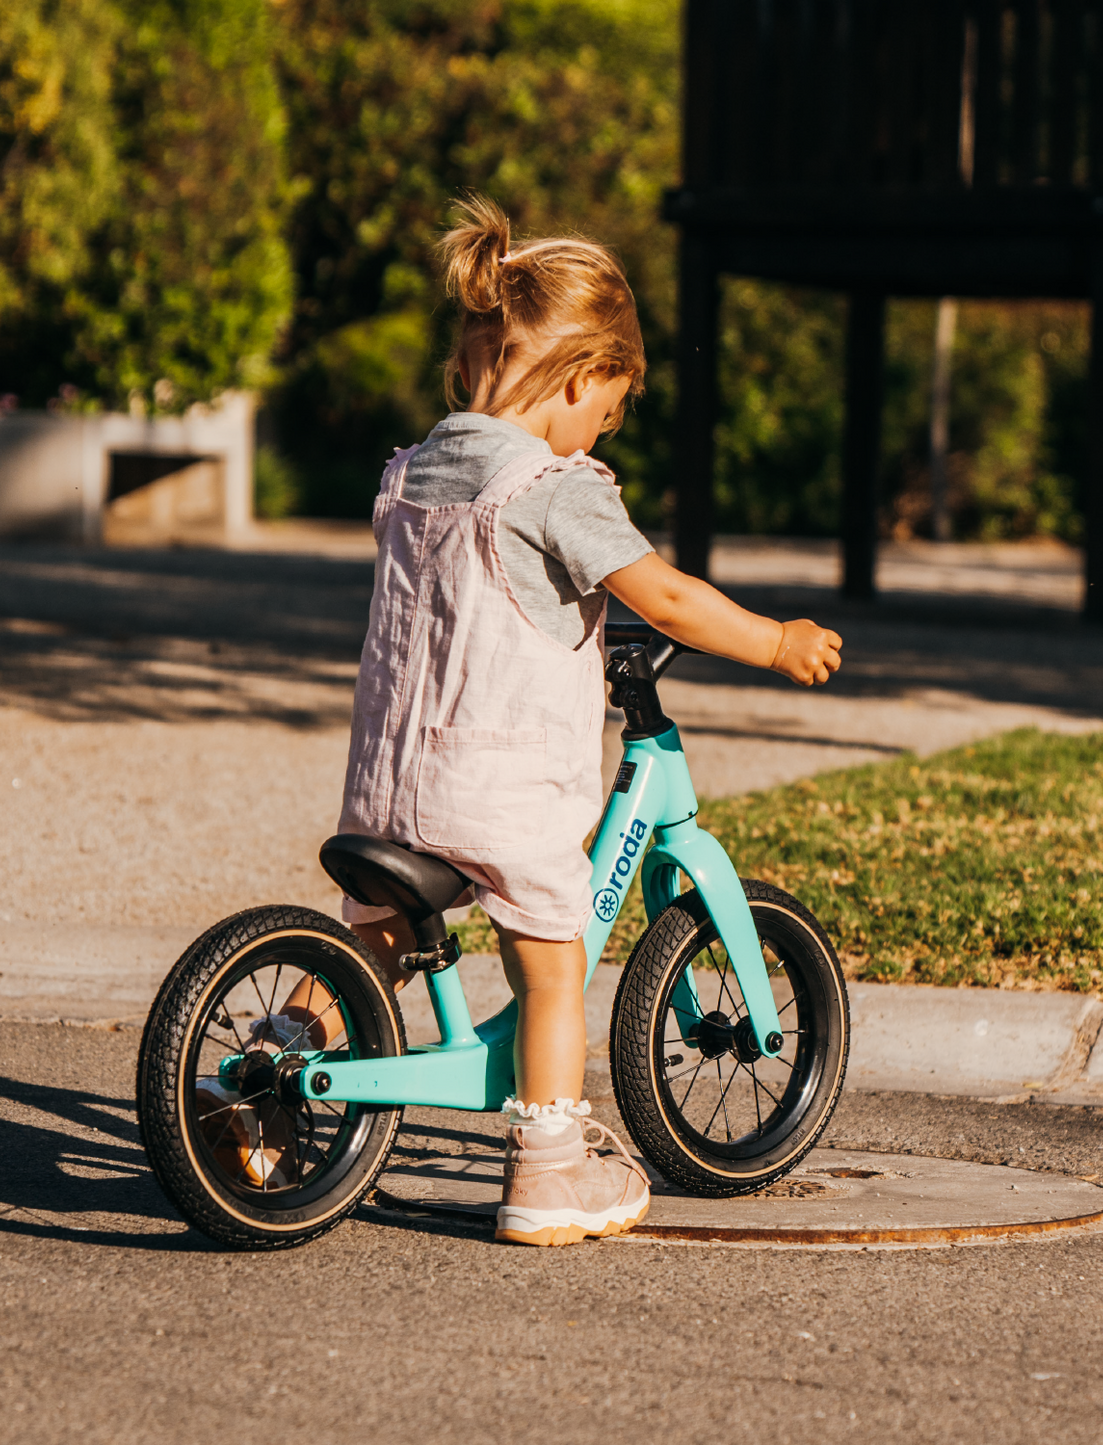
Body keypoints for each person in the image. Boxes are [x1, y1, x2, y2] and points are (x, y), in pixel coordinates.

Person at [237, 194, 843, 1244]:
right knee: (551, 954)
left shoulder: (416, 467)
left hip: (388, 779)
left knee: (370, 942)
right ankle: (548, 1169)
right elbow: (664, 599)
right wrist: (773, 639)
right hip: (492, 784)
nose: (601, 428)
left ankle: (267, 1084)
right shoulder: (555, 487)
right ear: (575, 381)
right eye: (606, 408)